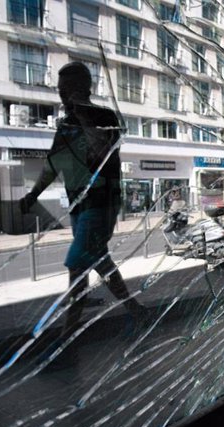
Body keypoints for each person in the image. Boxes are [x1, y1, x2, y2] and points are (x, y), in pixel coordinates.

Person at [20, 61, 147, 332]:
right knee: (99, 260)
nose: (62, 96)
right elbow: (53, 163)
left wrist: (83, 114)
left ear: (82, 90)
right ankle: (136, 310)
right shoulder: (66, 125)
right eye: (60, 91)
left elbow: (102, 150)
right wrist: (34, 194)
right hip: (79, 206)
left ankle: (67, 337)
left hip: (101, 203)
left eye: (66, 91)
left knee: (77, 265)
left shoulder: (104, 118)